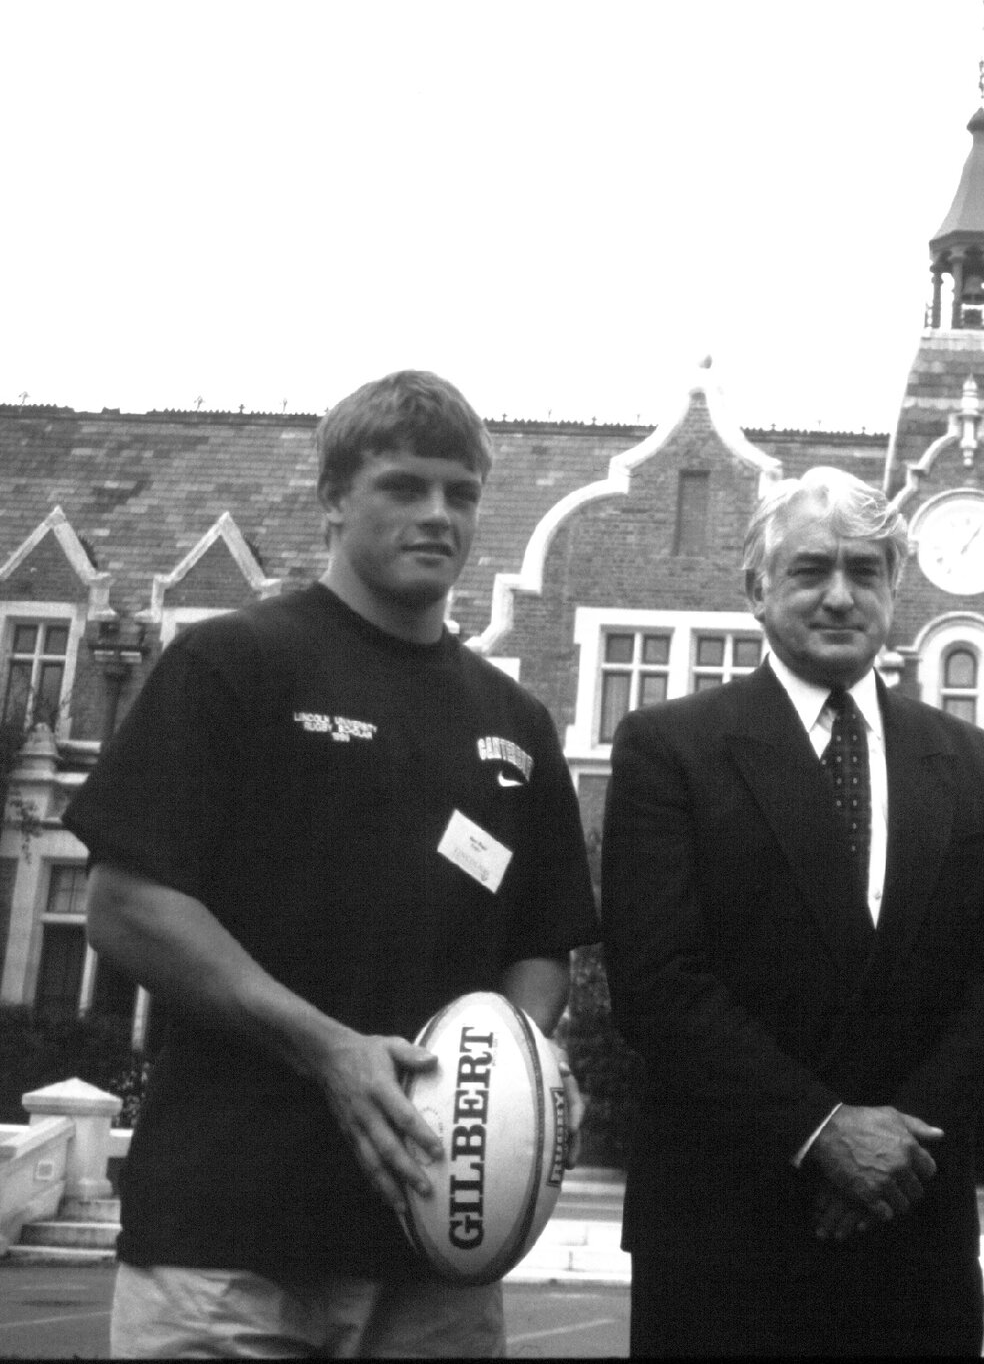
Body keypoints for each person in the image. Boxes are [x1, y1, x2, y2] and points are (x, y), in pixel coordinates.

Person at [69, 370, 600, 1358]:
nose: (437, 513)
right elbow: (127, 906)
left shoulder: (515, 722)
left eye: (461, 492)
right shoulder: (233, 666)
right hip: (228, 1254)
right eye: (403, 486)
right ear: (332, 499)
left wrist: (521, 1063)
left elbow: (541, 946)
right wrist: (329, 1048)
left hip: (435, 1260)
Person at [600, 466, 984, 1358]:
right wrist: (823, 1131)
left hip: (911, 1231)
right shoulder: (668, 748)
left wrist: (896, 1150)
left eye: (866, 570)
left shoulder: (966, 757)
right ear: (756, 587)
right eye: (810, 571)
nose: (841, 595)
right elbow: (658, 984)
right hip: (727, 1229)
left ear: (894, 588)